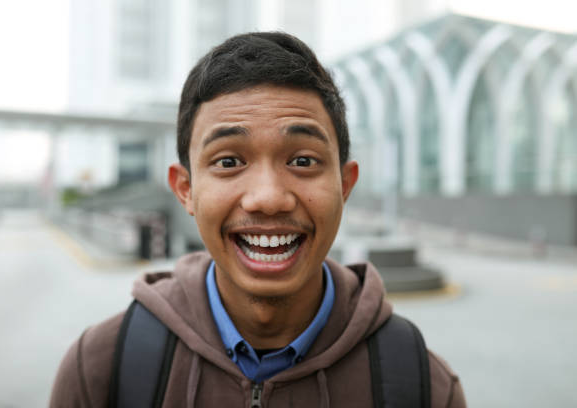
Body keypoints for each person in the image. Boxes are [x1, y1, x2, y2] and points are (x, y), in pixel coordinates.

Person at [50, 32, 466, 407]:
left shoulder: (422, 385)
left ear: (345, 184)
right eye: (229, 161)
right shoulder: (102, 370)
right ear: (185, 189)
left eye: (303, 160)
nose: (268, 198)